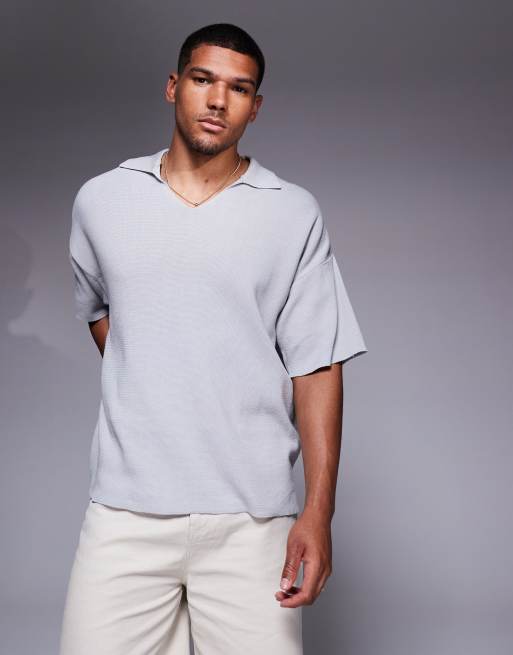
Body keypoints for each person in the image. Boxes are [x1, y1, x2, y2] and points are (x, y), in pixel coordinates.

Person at [59, 22, 368, 655]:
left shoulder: (291, 212)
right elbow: (102, 313)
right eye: (203, 80)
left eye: (239, 88)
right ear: (174, 86)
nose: (218, 100)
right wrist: (156, 377)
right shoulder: (103, 200)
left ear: (256, 106)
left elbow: (317, 366)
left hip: (251, 521)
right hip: (126, 512)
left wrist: (318, 512)